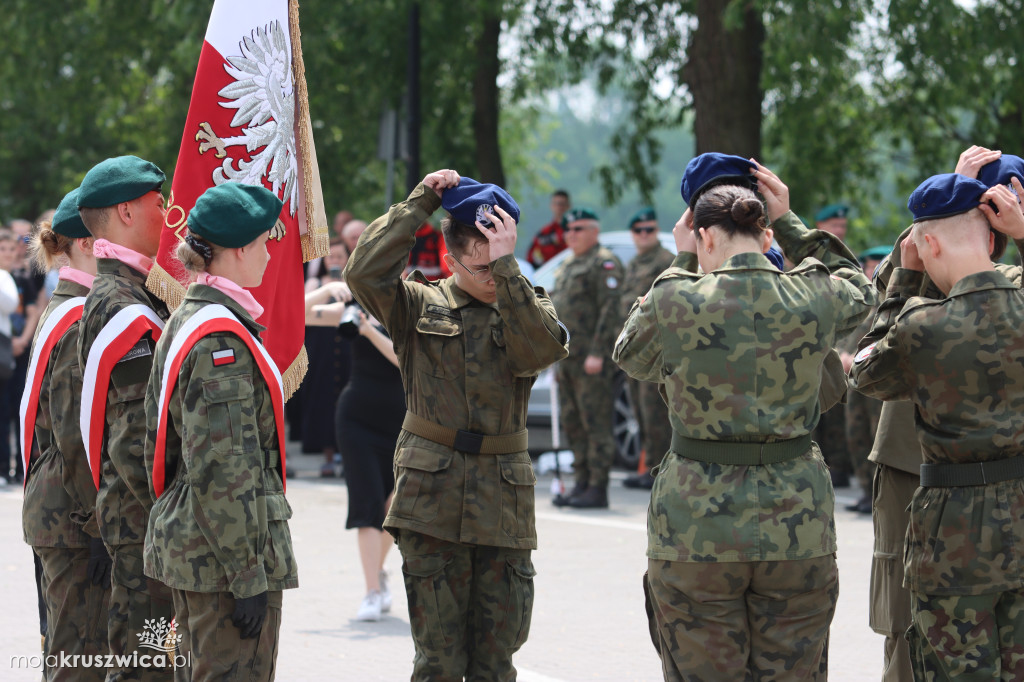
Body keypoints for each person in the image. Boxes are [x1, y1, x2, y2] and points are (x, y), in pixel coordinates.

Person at [614, 153, 875, 680]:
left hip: (695, 528)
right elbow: (864, 290)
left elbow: (630, 354)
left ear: (703, 236)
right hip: (796, 524)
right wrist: (793, 224)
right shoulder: (813, 291)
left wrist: (680, 262)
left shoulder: (675, 298)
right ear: (764, 231)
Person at [345, 171, 568, 680]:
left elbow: (540, 348)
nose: (494, 274)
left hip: (502, 505)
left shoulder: (528, 306)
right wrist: (420, 203)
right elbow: (364, 273)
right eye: (483, 265)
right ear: (451, 260)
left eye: (501, 261)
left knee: (495, 664)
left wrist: (509, 270)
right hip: (432, 501)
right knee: (439, 662)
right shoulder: (418, 304)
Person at [850, 172, 1024, 680]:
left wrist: (903, 283)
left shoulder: (919, 325)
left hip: (952, 534)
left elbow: (864, 371)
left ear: (926, 245)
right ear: (994, 238)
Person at [144, 182, 298, 681]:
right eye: (264, 241)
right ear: (236, 250)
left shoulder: (195, 317)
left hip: (204, 553)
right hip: (223, 563)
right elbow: (222, 468)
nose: (271, 253)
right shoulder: (218, 341)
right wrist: (247, 575)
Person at [75, 155, 174, 681]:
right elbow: (136, 440)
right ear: (126, 212)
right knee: (147, 668)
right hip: (143, 526)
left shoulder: (136, 292)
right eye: (159, 204)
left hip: (141, 523)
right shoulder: (120, 304)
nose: (169, 213)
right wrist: (174, 518)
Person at [21, 188, 109, 681]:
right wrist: (99, 526)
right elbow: (78, 434)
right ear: (84, 244)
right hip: (75, 517)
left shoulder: (66, 303)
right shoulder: (79, 317)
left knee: (66, 650)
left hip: (59, 511)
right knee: (79, 661)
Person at [308, 288, 405, 621]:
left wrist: (368, 331)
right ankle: (371, 592)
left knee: (396, 506)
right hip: (356, 418)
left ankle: (377, 572)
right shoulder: (354, 307)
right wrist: (323, 291)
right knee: (366, 503)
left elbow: (406, 358)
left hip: (403, 420)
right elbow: (296, 313)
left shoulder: (411, 305)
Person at [550, 207, 624, 509]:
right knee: (573, 422)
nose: (572, 234)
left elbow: (610, 311)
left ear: (594, 231)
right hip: (567, 358)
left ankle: (598, 486)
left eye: (579, 229)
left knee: (596, 423)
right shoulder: (566, 265)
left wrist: (598, 353)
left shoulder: (603, 262)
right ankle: (581, 482)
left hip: (591, 360)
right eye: (568, 230)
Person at [619, 207, 674, 490]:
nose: (644, 235)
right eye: (639, 231)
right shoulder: (634, 263)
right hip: (636, 350)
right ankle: (650, 464)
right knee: (641, 412)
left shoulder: (666, 260)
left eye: (649, 230)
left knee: (655, 414)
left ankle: (659, 469)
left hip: (656, 351)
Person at [839, 245, 890, 514]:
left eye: (876, 265)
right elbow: (844, 339)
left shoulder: (891, 304)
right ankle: (865, 489)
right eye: (868, 266)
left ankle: (877, 491)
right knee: (856, 434)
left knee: (875, 435)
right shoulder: (864, 304)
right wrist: (842, 356)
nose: (871, 271)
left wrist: (854, 357)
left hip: (876, 381)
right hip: (855, 382)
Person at [302, 237, 350, 477]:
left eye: (340, 257)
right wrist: (326, 289)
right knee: (322, 399)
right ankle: (328, 456)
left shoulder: (353, 282)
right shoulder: (315, 282)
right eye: (331, 256)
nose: (335, 261)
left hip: (349, 346)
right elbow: (300, 310)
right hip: (320, 346)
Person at [527, 189, 571, 269]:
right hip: (548, 276)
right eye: (556, 204)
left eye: (562, 204)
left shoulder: (576, 231)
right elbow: (532, 259)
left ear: (568, 206)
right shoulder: (543, 233)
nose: (559, 207)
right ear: (551, 206)